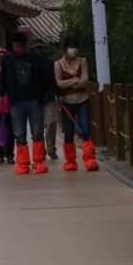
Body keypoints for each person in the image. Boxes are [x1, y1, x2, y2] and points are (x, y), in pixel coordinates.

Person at [0, 32, 61, 174]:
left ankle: (38, 162)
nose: (16, 49)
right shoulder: (8, 58)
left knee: (37, 132)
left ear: (26, 45)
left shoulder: (37, 58)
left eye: (19, 46)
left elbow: (47, 76)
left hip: (34, 100)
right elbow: (3, 77)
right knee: (19, 134)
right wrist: (1, 92)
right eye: (14, 46)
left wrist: (56, 91)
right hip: (16, 101)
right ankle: (23, 163)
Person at [54, 36, 98, 171]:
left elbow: (85, 80)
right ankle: (71, 161)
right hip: (67, 102)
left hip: (83, 99)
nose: (73, 50)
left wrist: (70, 83)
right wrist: (75, 81)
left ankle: (90, 159)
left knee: (86, 128)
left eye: (75, 47)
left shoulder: (82, 61)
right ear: (65, 48)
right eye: (70, 47)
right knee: (68, 133)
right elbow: (59, 83)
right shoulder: (58, 64)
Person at [31, 36, 59, 160]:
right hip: (34, 98)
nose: (38, 50)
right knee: (37, 126)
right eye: (36, 48)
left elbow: (54, 79)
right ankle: (40, 150)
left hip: (49, 97)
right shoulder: (28, 63)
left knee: (51, 121)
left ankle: (51, 149)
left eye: (40, 48)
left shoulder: (49, 62)